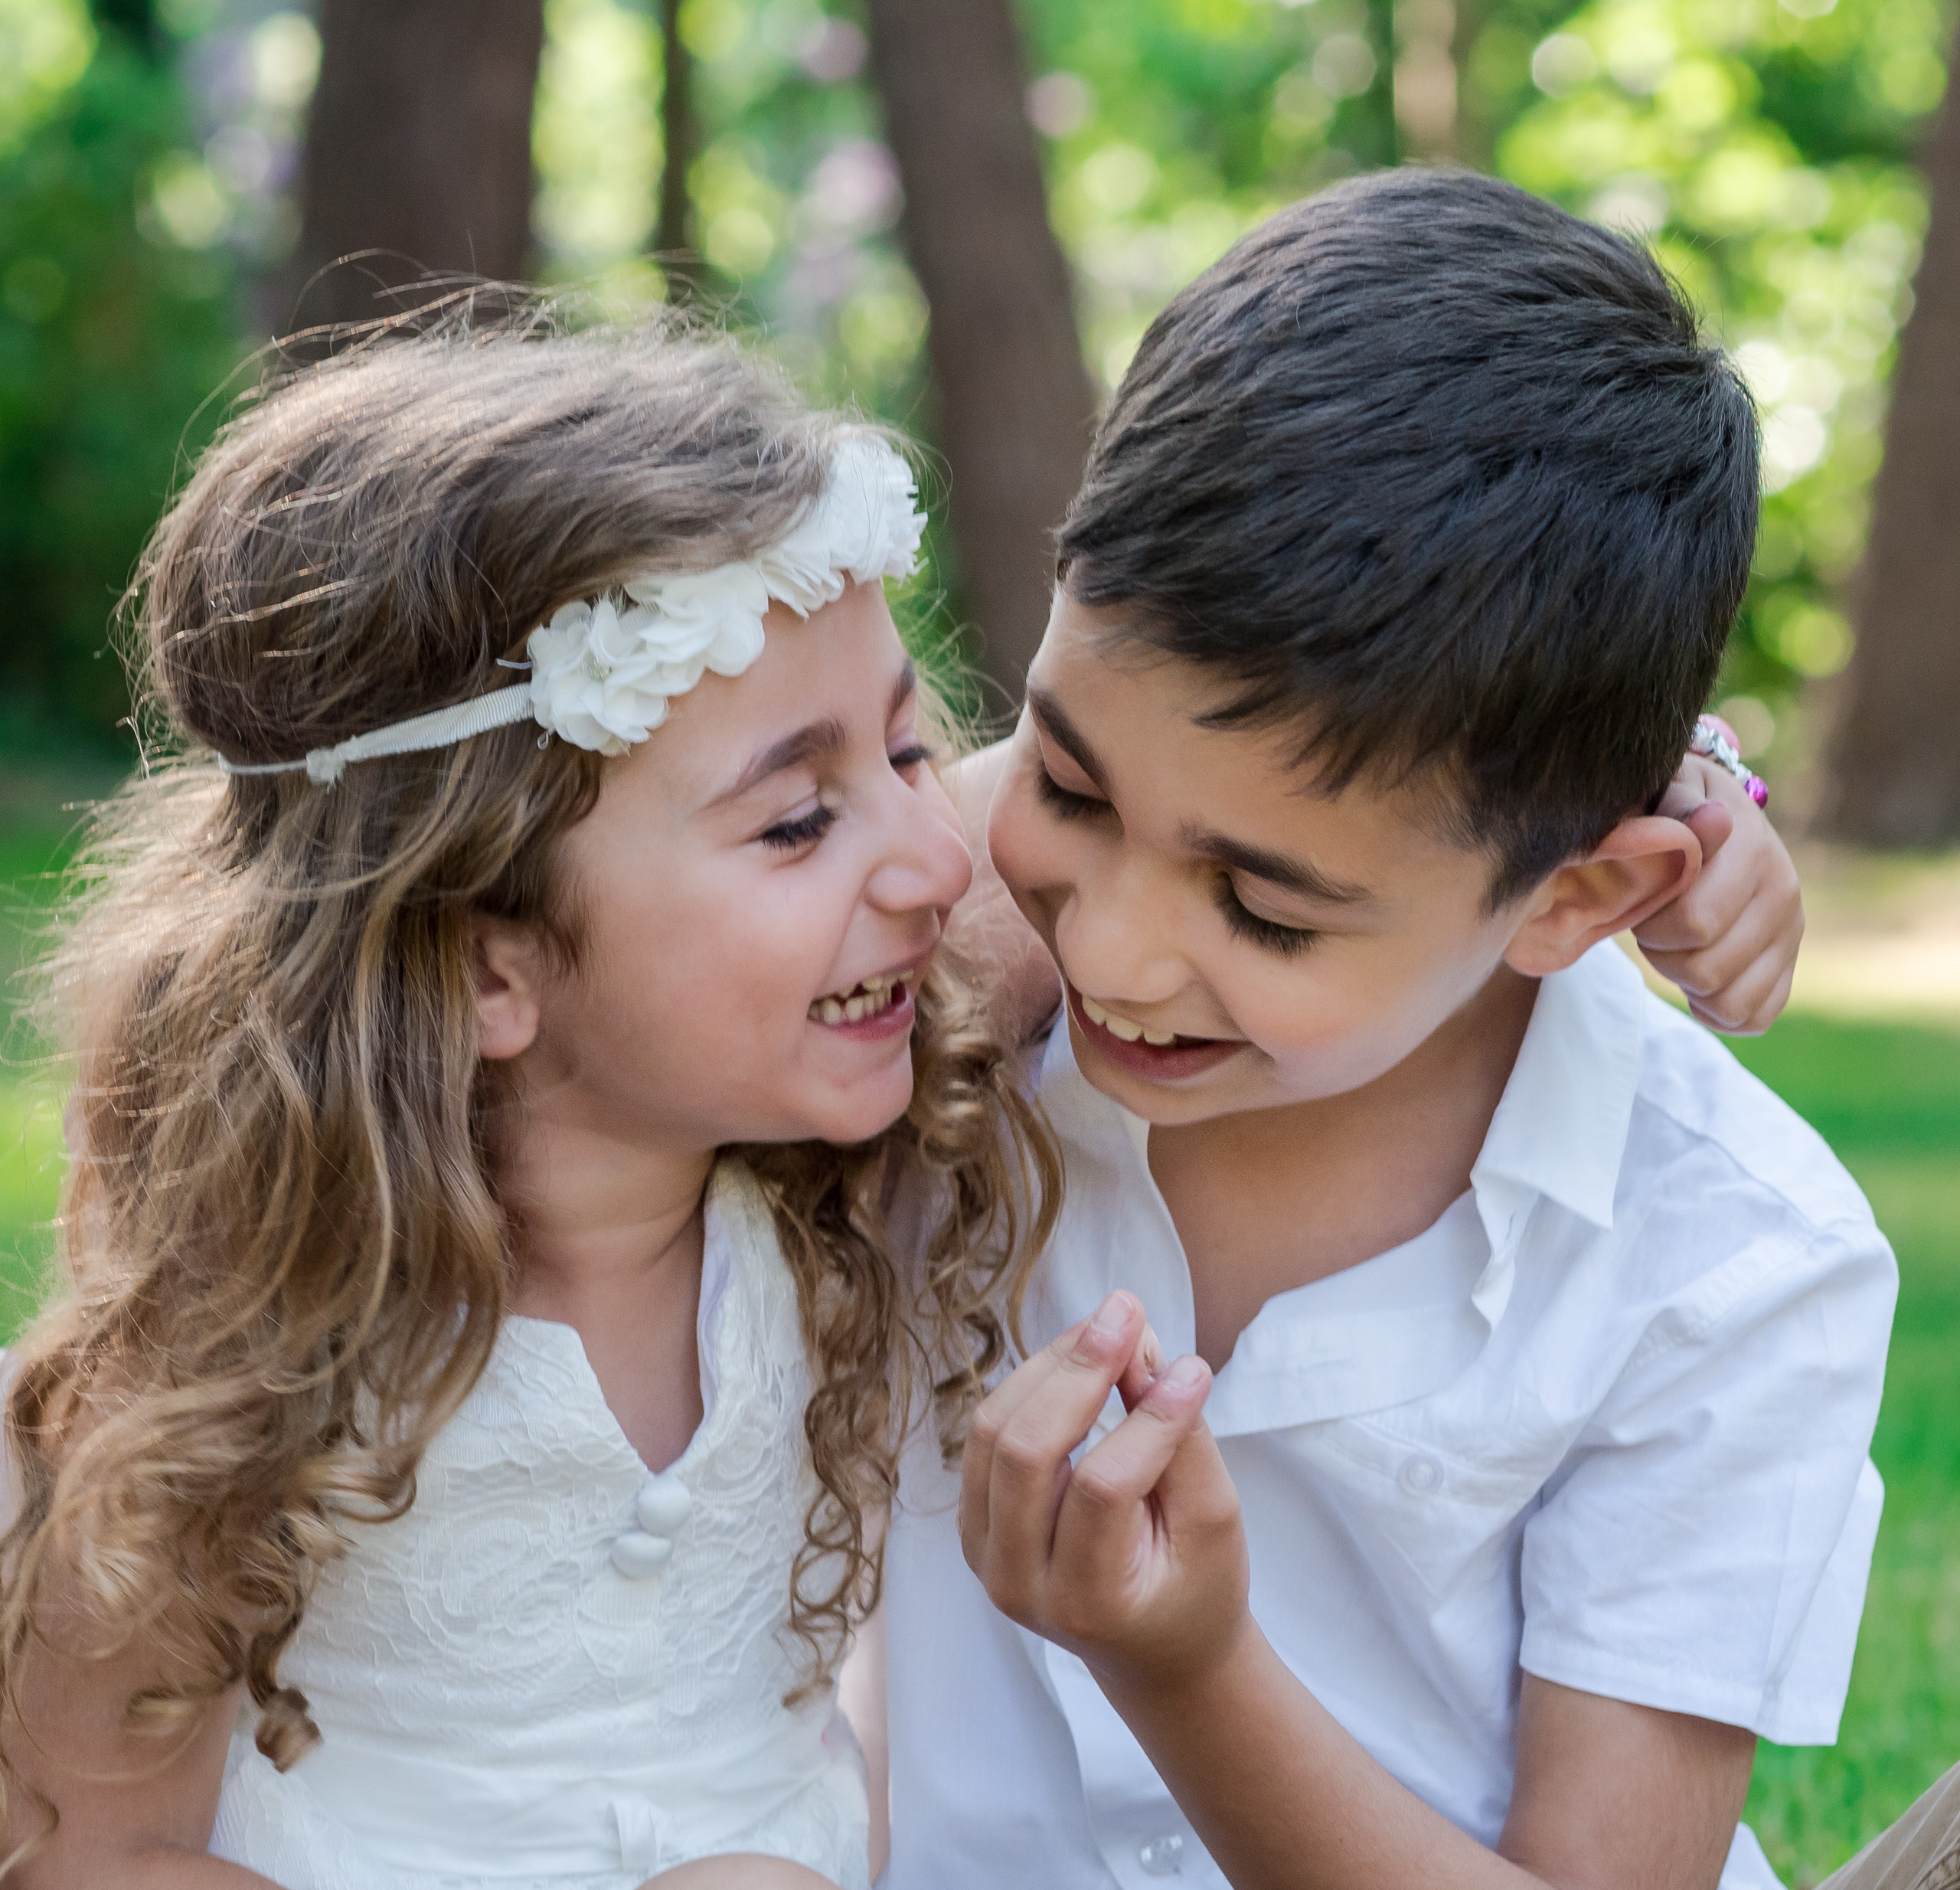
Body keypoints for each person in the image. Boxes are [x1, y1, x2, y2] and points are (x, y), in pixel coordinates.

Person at [885, 169, 1895, 1890]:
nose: (1115, 944)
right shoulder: (916, 984)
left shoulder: (1725, 1261)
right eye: (1065, 779)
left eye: (1265, 910)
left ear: (1575, 902)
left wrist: (1187, 1673)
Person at [0, 322, 1060, 1890]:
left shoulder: (868, 1116)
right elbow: (95, 1849)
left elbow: (1155, 795)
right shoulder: (244, 1350)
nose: (937, 859)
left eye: (911, 747)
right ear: (486, 961)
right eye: (796, 820)